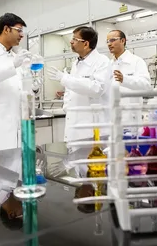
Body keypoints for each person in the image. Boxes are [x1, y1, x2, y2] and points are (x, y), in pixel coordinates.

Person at [0, 13, 32, 229]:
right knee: (2, 170)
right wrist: (14, 64)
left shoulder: (15, 55)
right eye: (19, 30)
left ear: (12, 214)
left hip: (17, 129)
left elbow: (17, 88)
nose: (22, 35)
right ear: (6, 29)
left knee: (14, 168)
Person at [47, 26, 111, 180]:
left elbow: (97, 88)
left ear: (86, 44)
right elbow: (72, 89)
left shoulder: (102, 62)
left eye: (75, 39)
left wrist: (64, 78)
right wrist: (67, 106)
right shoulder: (77, 63)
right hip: (76, 128)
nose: (71, 42)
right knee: (81, 179)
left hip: (92, 131)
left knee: (95, 177)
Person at [107, 29, 151, 132]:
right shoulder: (109, 64)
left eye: (113, 40)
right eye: (108, 41)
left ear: (123, 41)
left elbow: (146, 86)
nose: (109, 44)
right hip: (112, 122)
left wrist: (125, 79)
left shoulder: (136, 61)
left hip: (131, 122)